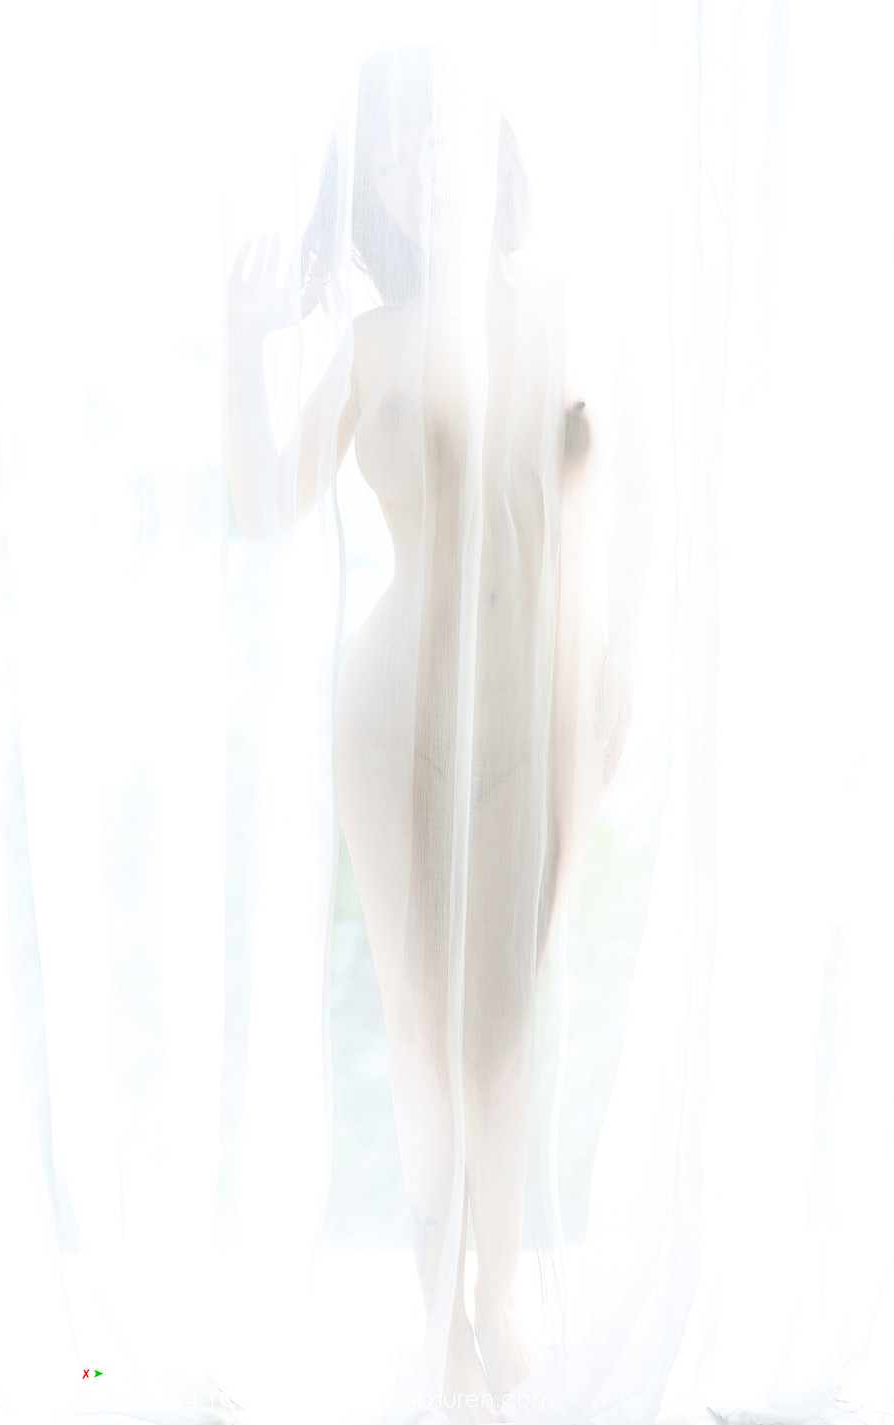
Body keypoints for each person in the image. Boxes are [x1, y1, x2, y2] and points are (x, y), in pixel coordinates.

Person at [227, 44, 649, 1423]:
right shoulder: (371, 342)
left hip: (541, 711)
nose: (421, 160)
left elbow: (628, 522)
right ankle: (439, 1324)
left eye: (439, 128)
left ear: (490, 140)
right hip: (392, 715)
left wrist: (618, 693)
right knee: (419, 1024)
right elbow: (267, 509)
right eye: (394, 144)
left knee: (504, 1026)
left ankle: (499, 1292)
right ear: (375, 185)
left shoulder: (572, 308)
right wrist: (244, 347)